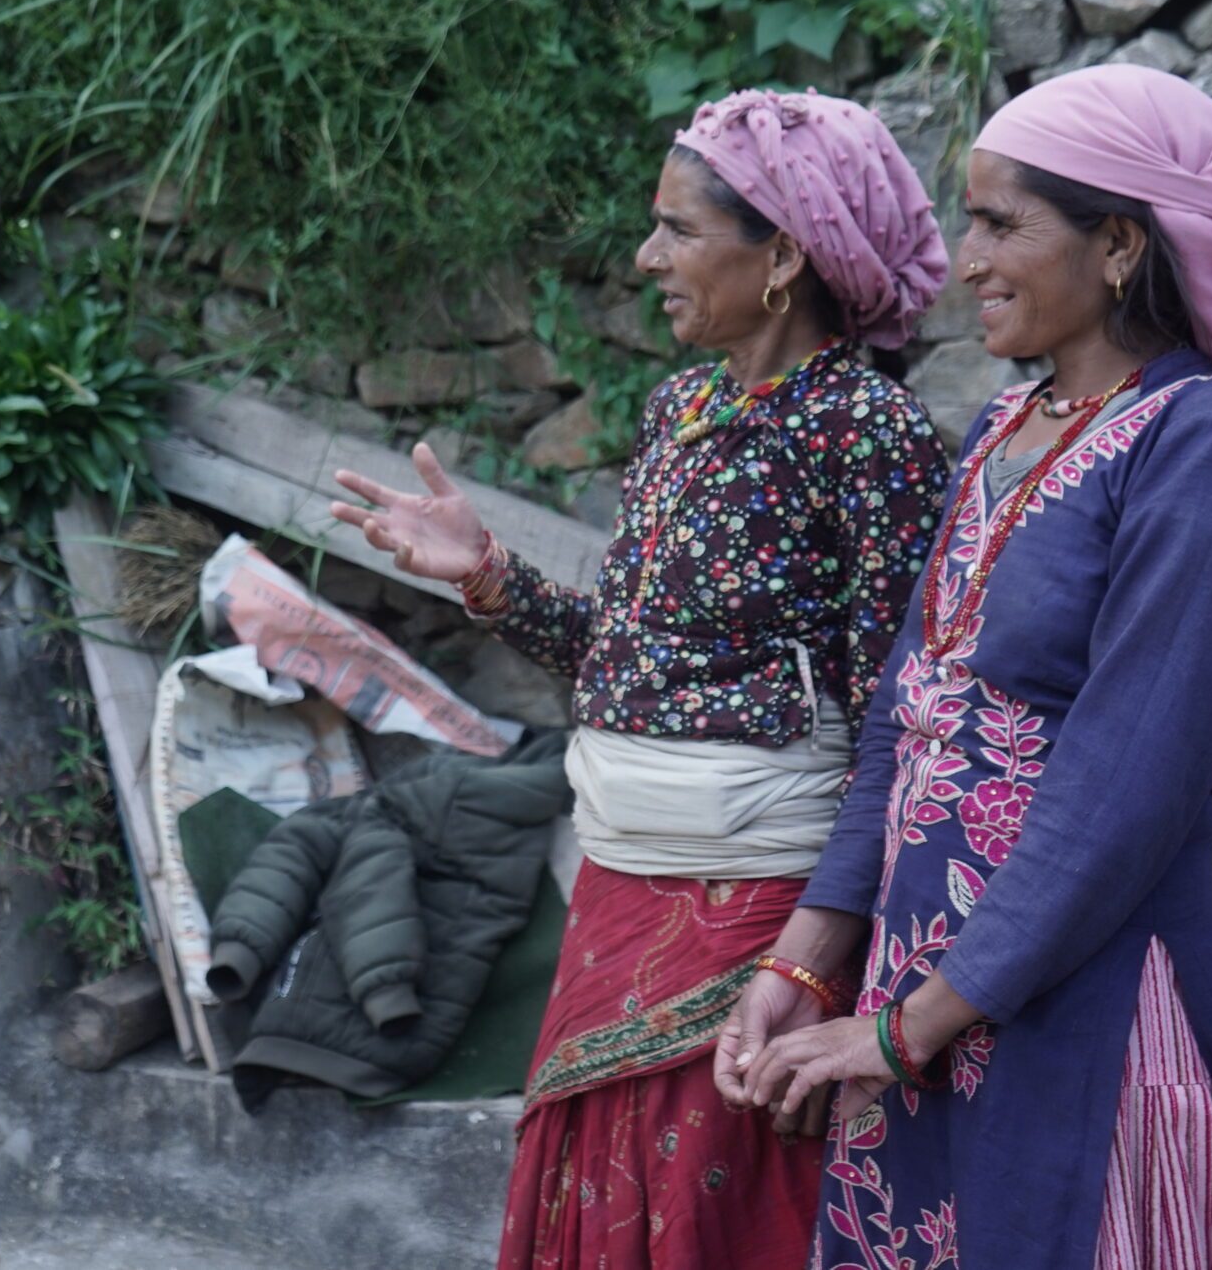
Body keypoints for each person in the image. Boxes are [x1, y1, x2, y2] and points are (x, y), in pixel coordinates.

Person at [724, 63, 1212, 1270]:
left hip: (1084, 1009)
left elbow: (1123, 794)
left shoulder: (1210, 449)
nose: (965, 260)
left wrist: (904, 1031)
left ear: (1119, 244)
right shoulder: (999, 431)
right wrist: (805, 966)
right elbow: (906, 725)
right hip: (917, 1001)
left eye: (998, 223)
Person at [332, 89, 953, 1270]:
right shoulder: (681, 410)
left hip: (758, 913)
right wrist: (488, 576)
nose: (645, 256)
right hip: (621, 891)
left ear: (781, 252)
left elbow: (901, 725)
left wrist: (838, 956)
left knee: (712, 1203)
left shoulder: (869, 434)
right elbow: (633, 662)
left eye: (676, 228)